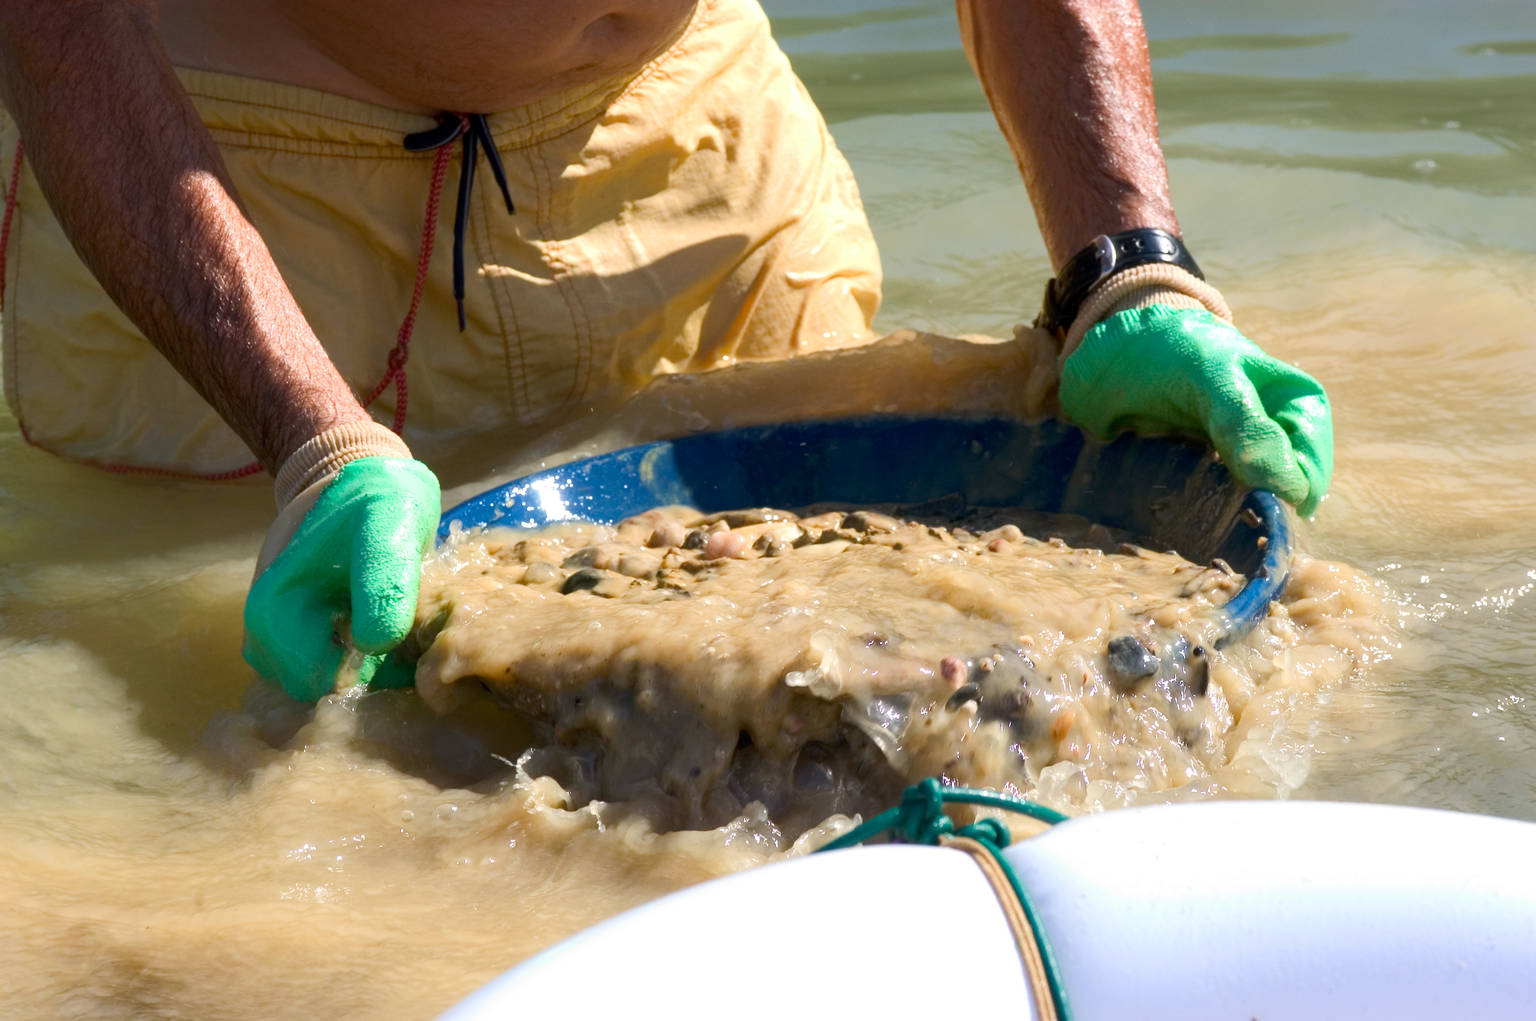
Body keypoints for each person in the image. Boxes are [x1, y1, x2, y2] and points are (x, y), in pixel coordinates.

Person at [0, 0, 1331, 702]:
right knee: (296, 743)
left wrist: (1124, 266)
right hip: (261, 178)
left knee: (836, 655)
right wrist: (312, 434)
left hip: (700, 138)